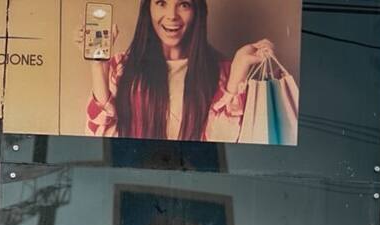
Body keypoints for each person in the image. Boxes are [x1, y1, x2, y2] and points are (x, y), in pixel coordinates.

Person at [82, 0, 276, 142]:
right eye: (161, 3)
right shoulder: (122, 68)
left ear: (197, 11)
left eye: (183, 4)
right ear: (148, 8)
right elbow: (101, 141)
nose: (172, 15)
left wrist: (239, 69)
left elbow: (223, 142)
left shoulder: (223, 71)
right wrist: (98, 67)